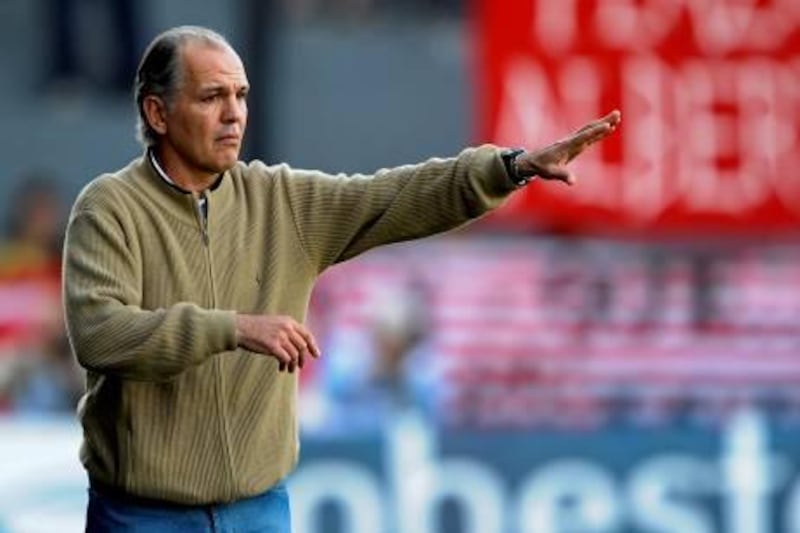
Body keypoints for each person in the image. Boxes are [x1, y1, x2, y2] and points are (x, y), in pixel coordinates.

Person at [62, 25, 621, 532]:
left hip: (260, 510)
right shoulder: (109, 209)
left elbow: (397, 195)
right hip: (142, 516)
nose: (234, 113)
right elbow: (100, 335)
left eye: (241, 95)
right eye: (212, 97)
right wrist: (232, 328)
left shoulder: (283, 200)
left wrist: (509, 167)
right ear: (157, 114)